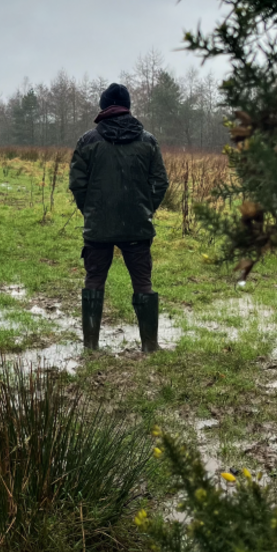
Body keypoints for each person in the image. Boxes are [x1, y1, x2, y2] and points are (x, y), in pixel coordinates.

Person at [68, 82, 169, 353]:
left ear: (103, 107)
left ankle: (91, 347)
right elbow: (160, 182)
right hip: (138, 227)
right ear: (128, 107)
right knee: (143, 283)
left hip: (99, 227)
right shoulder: (147, 140)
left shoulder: (87, 141)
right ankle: (150, 346)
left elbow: (77, 184)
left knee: (94, 280)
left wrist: (90, 211)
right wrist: (145, 210)